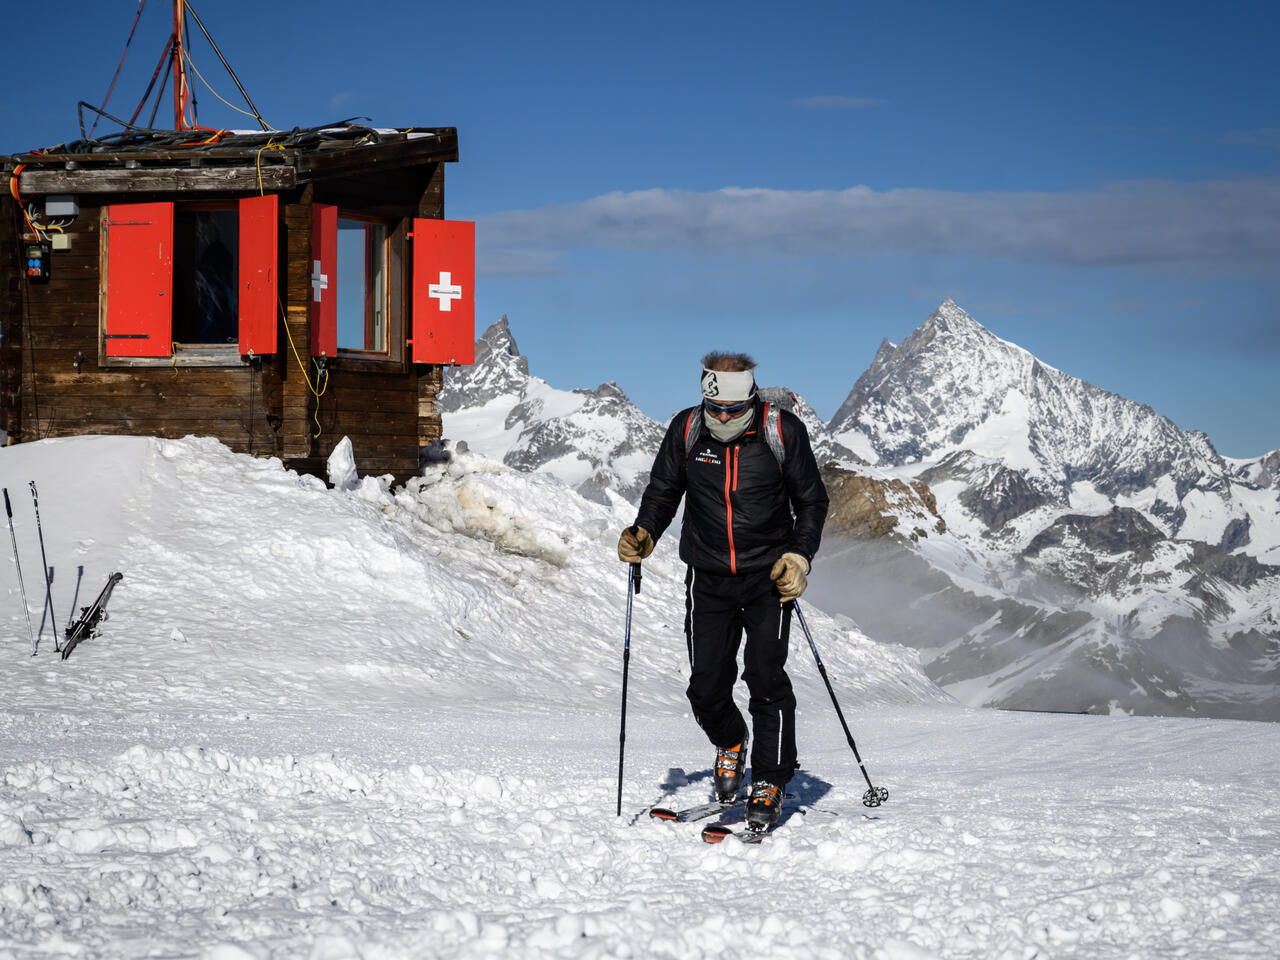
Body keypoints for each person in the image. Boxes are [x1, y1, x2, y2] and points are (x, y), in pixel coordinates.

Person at [618, 351, 829, 830]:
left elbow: (812, 501)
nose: (724, 418)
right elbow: (664, 490)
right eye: (716, 410)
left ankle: (772, 780)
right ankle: (731, 742)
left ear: (751, 398)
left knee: (765, 678)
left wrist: (798, 557)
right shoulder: (688, 428)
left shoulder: (782, 432)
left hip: (767, 578)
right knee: (706, 685)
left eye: (734, 410)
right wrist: (645, 532)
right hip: (708, 576)